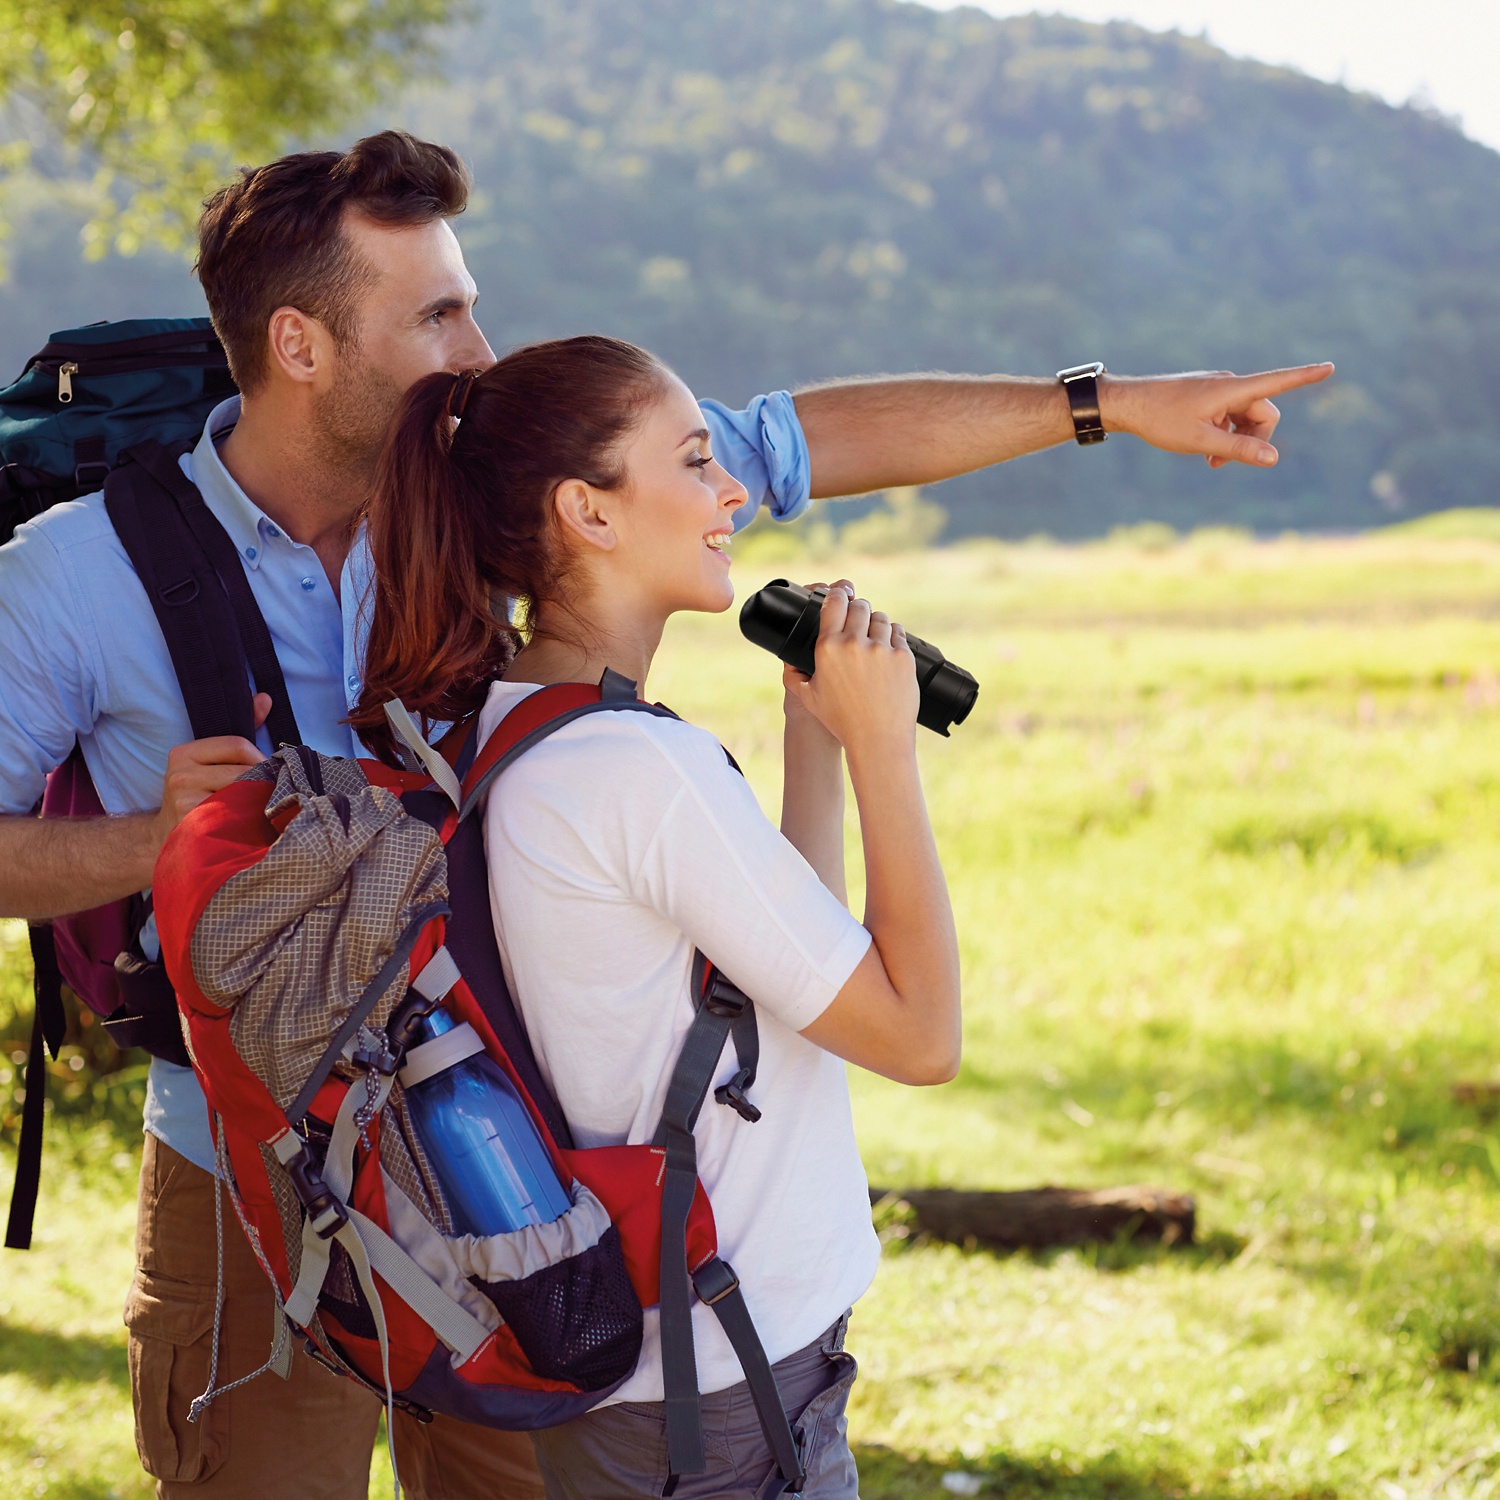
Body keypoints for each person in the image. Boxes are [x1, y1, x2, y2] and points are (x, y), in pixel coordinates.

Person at [0, 123, 1329, 1496]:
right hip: (249, 1166)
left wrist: (1103, 404)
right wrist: (149, 846)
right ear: (299, 346)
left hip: (519, 1160)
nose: (476, 347)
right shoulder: (78, 578)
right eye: (439, 313)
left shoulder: (488, 482)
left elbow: (797, 441)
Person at [353, 334, 961, 1498]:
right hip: (719, 1396)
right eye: (693, 461)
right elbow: (919, 1036)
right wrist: (890, 748)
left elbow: (789, 975)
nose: (733, 489)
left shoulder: (516, 724)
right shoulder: (635, 766)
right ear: (588, 511)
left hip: (682, 1377)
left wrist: (815, 742)